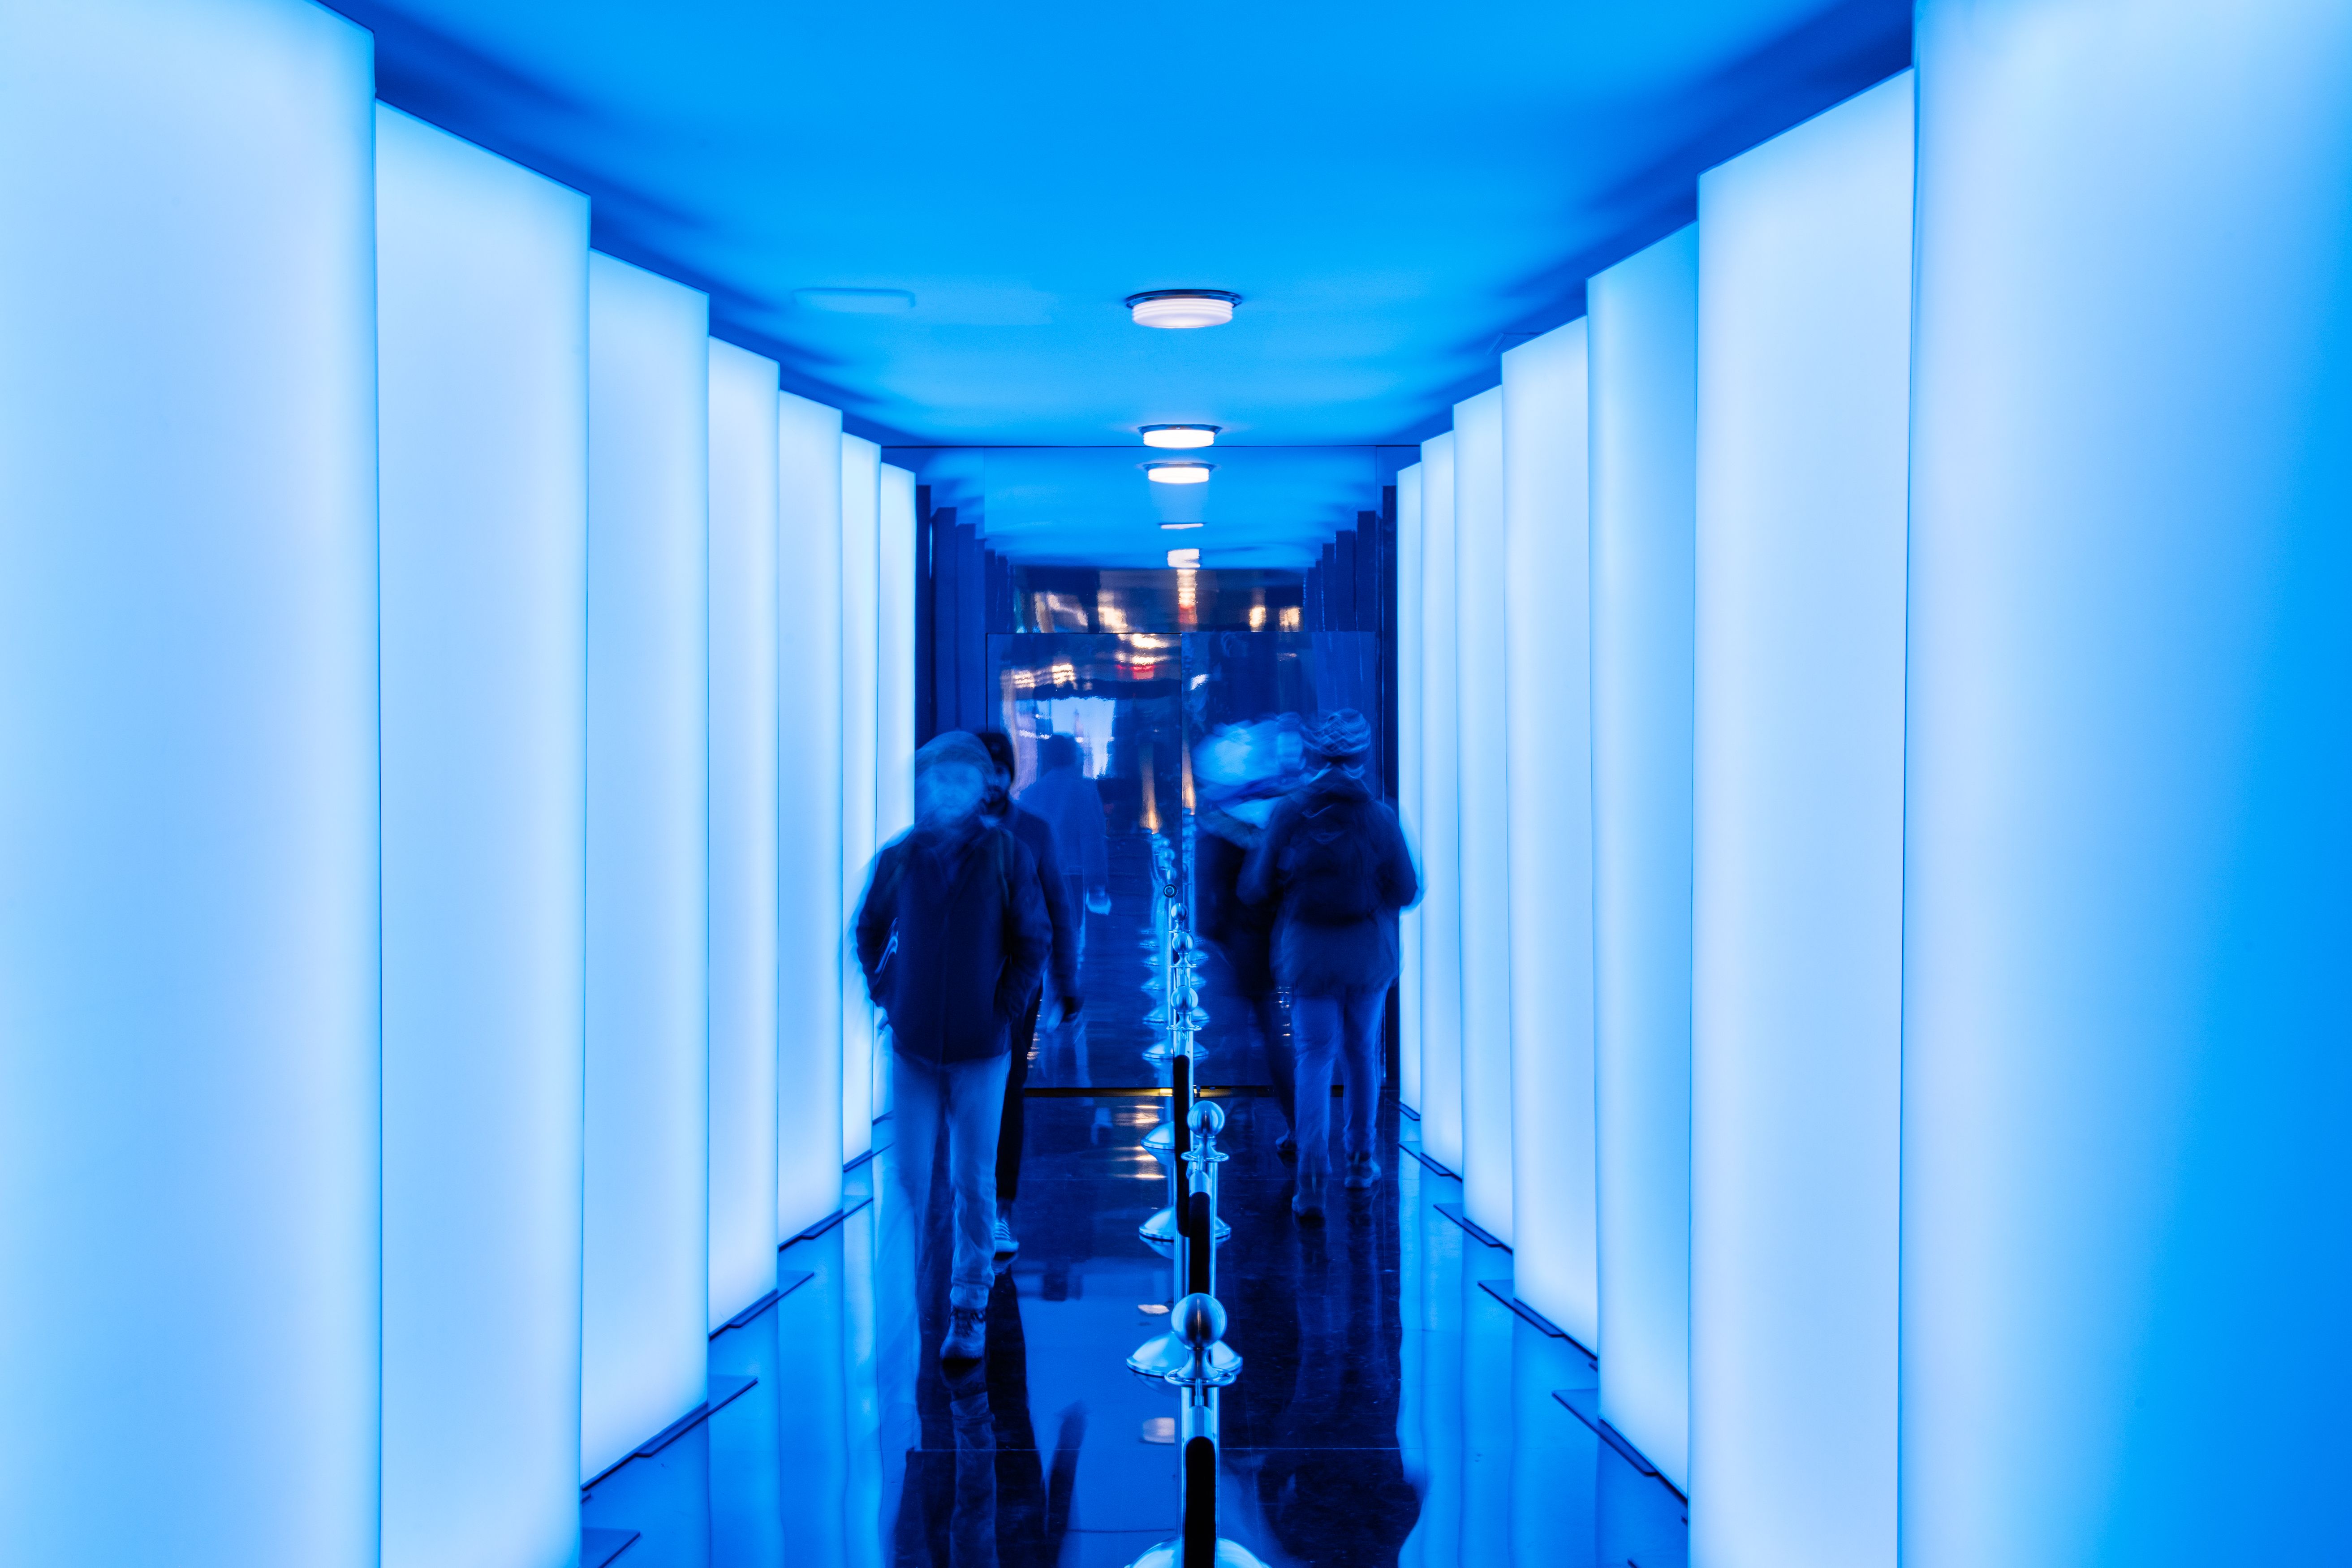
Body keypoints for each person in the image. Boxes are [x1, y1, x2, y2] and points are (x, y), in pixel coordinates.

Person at [856, 731, 1051, 1361]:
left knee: (973, 1179)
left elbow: (1032, 941)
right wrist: (890, 992)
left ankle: (968, 1305)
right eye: (936, 780)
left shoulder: (1006, 856)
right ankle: (911, 1300)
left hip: (981, 1048)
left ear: (978, 789)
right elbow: (869, 928)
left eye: (959, 780)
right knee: (910, 1176)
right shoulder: (901, 858)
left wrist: (1001, 1010)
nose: (946, 791)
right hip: (913, 1044)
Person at [1241, 710, 1417, 1221]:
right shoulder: (1381, 816)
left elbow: (1255, 885)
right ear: (1362, 757)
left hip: (1308, 954)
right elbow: (1406, 889)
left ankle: (1311, 1179)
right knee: (1363, 1053)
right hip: (1367, 956)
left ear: (1317, 754)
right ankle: (1361, 1161)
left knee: (1314, 1057)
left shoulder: (1291, 811)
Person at [975, 729, 1082, 1262]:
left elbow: (1057, 907)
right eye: (983, 767)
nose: (993, 779)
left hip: (1017, 983)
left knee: (1007, 1088)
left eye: (1000, 768)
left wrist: (1067, 979)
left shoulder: (1033, 832)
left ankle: (999, 1206)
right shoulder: (948, 833)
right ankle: (971, 1203)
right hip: (958, 982)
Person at [1194, 720, 1296, 1157]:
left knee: (1253, 1027)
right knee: (1283, 1031)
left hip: (1243, 942)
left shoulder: (1219, 825)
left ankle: (1249, 1102)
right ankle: (1296, 1120)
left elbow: (1210, 893)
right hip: (1285, 936)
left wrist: (1216, 934)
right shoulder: (1283, 816)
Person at [1017, 733, 1110, 931]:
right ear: (1074, 756)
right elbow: (1092, 838)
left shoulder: (1030, 793)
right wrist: (1097, 882)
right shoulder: (1084, 790)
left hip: (1036, 875)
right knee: (1069, 935)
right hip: (1072, 874)